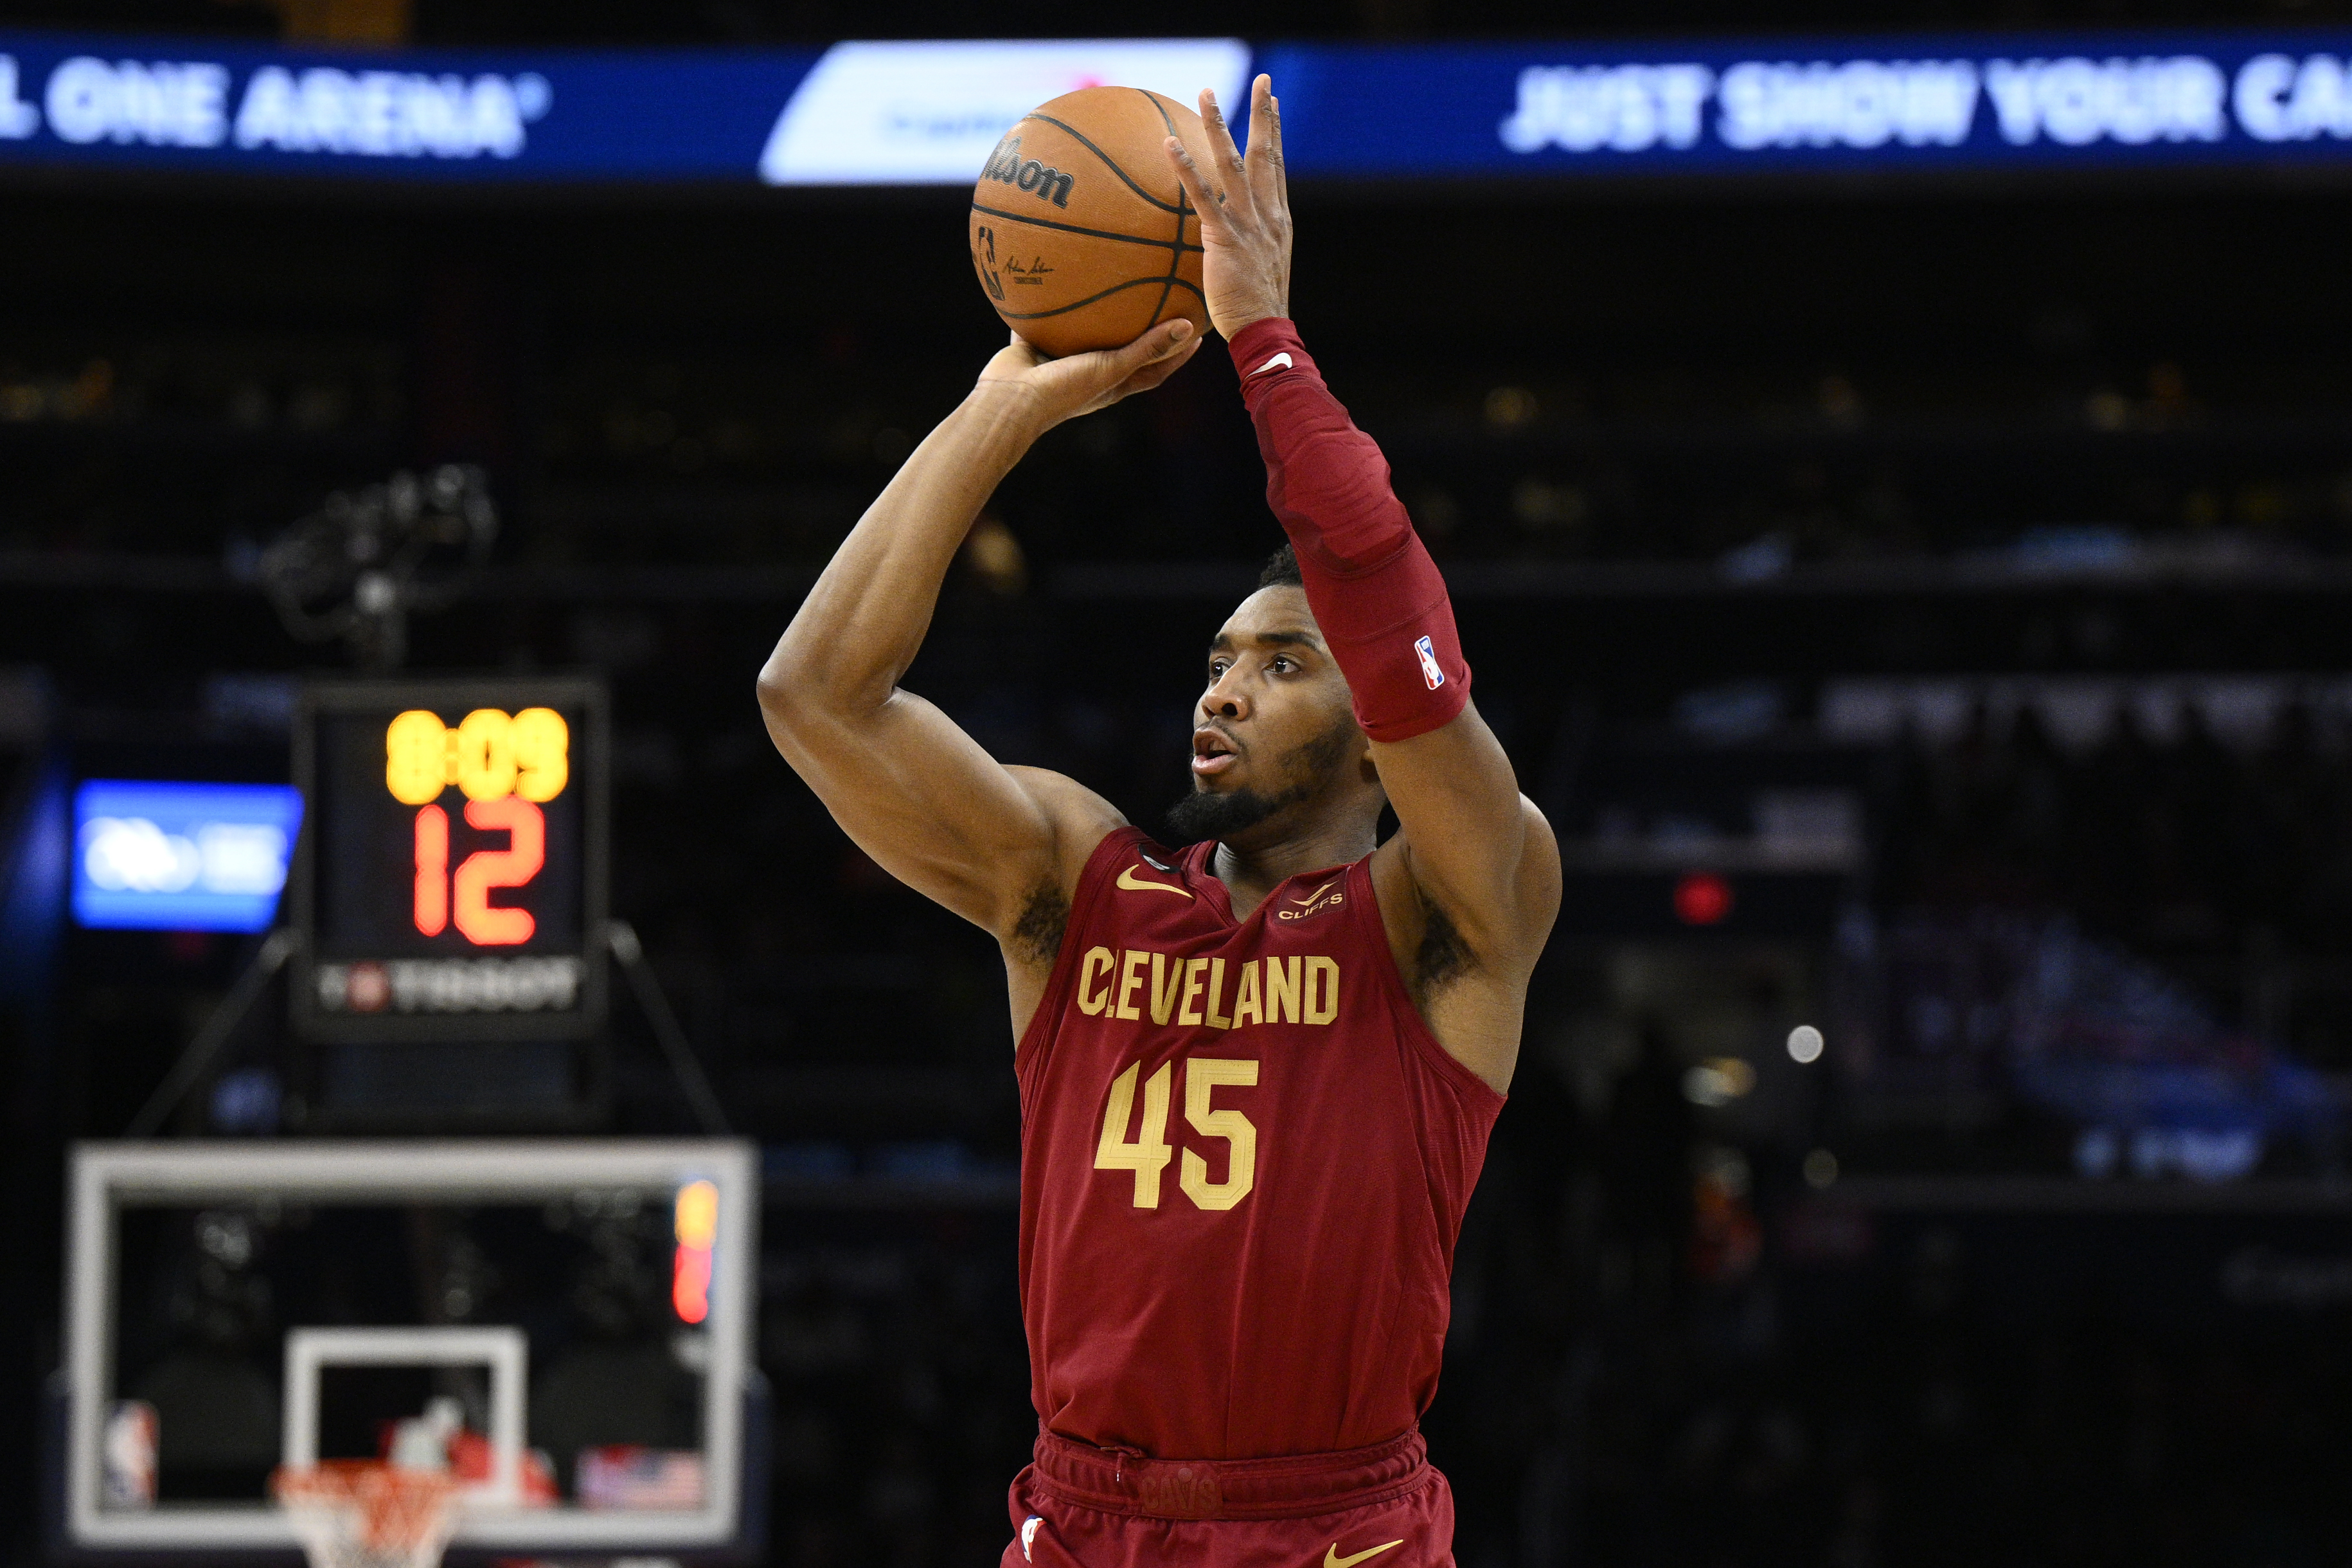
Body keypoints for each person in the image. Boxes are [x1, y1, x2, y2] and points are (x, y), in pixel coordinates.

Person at [758, 73, 1560, 1568]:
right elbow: (816, 696)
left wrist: (1266, 343)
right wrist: (1004, 407)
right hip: (1082, 1514)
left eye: (1279, 662)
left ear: (1378, 737)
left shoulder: (1449, 913)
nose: (1226, 691)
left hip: (1336, 1528)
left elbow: (1397, 623)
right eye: (1215, 662)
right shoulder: (1075, 879)